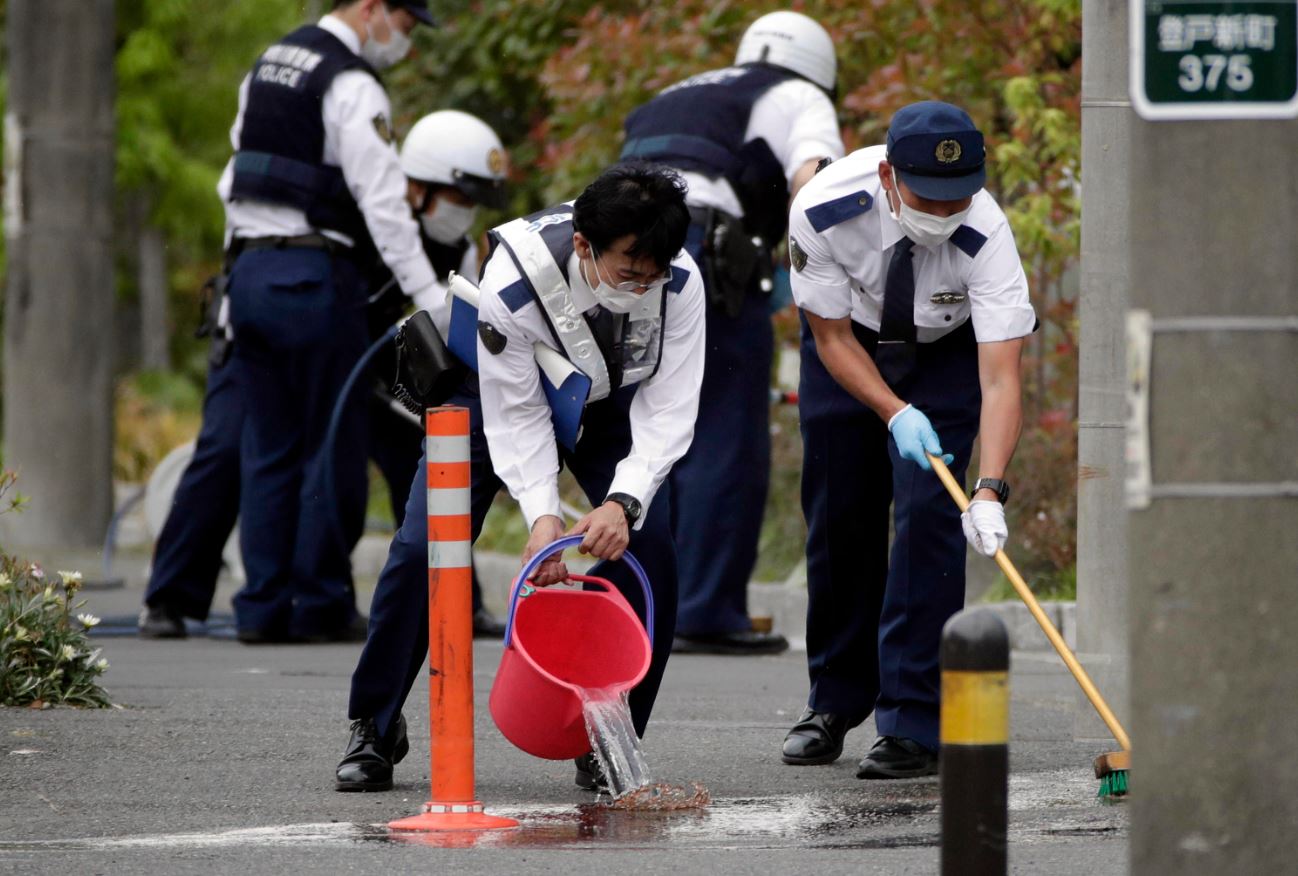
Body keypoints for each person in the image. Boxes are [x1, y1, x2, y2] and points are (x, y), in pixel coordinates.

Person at [336, 163, 704, 792]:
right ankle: (374, 722)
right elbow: (520, 416)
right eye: (628, 271)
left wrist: (623, 501)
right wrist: (544, 519)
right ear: (585, 247)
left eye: (654, 274)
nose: (642, 286)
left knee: (651, 547)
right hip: (495, 397)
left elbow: (670, 408)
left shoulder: (679, 282)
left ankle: (609, 738)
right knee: (425, 545)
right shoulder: (515, 281)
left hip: (607, 396)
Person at [781, 101, 1035, 778]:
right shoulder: (822, 209)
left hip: (945, 352)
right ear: (890, 175)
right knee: (839, 512)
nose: (947, 213)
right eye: (930, 197)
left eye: (961, 197)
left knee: (930, 517)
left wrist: (990, 489)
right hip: (851, 341)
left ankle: (912, 722)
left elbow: (1003, 379)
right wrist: (893, 411)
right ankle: (834, 699)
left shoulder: (987, 234)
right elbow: (830, 337)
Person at [620, 10, 844, 655]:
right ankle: (708, 610)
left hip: (613, 254)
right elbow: (815, 179)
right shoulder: (797, 93)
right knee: (722, 430)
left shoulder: (674, 94)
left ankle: (643, 603)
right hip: (702, 253)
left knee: (647, 421)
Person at [219, 0, 439, 643]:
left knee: (267, 449)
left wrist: (233, 291)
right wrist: (429, 295)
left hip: (252, 275)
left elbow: (235, 183)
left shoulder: (267, 65)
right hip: (313, 280)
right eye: (404, 25)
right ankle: (318, 604)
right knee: (333, 447)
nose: (404, 42)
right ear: (371, 8)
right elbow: (384, 205)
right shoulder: (350, 82)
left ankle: (261, 608)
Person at [366, 109, 511, 637]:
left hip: (416, 394)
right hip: (361, 384)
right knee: (333, 488)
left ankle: (460, 602)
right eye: (459, 198)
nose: (464, 213)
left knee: (436, 493)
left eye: (473, 202)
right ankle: (319, 596)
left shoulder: (459, 247)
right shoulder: (381, 232)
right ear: (419, 187)